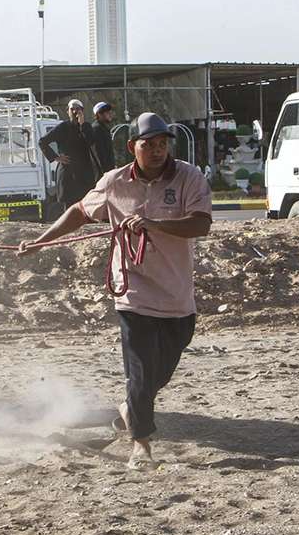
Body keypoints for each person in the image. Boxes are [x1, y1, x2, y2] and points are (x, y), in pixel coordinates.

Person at [20, 112, 212, 468]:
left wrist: (154, 223)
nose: (157, 151)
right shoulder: (113, 181)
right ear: (132, 147)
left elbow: (201, 224)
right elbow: (79, 211)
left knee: (158, 375)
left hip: (176, 296)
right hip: (132, 292)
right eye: (149, 144)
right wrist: (40, 241)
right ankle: (142, 445)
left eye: (162, 144)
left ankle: (130, 407)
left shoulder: (189, 177)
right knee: (140, 373)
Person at [38, 99, 96, 211]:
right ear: (67, 111)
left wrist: (82, 124)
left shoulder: (87, 126)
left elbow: (90, 141)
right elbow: (43, 141)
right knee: (69, 205)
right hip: (68, 171)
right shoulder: (63, 127)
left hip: (84, 172)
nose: (75, 111)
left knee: (86, 204)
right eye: (72, 109)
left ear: (82, 111)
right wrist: (56, 157)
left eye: (77, 109)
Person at [91, 101, 116, 174]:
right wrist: (105, 172)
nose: (110, 114)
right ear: (99, 114)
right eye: (107, 112)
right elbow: (99, 153)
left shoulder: (103, 128)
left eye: (109, 111)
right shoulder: (96, 129)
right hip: (103, 173)